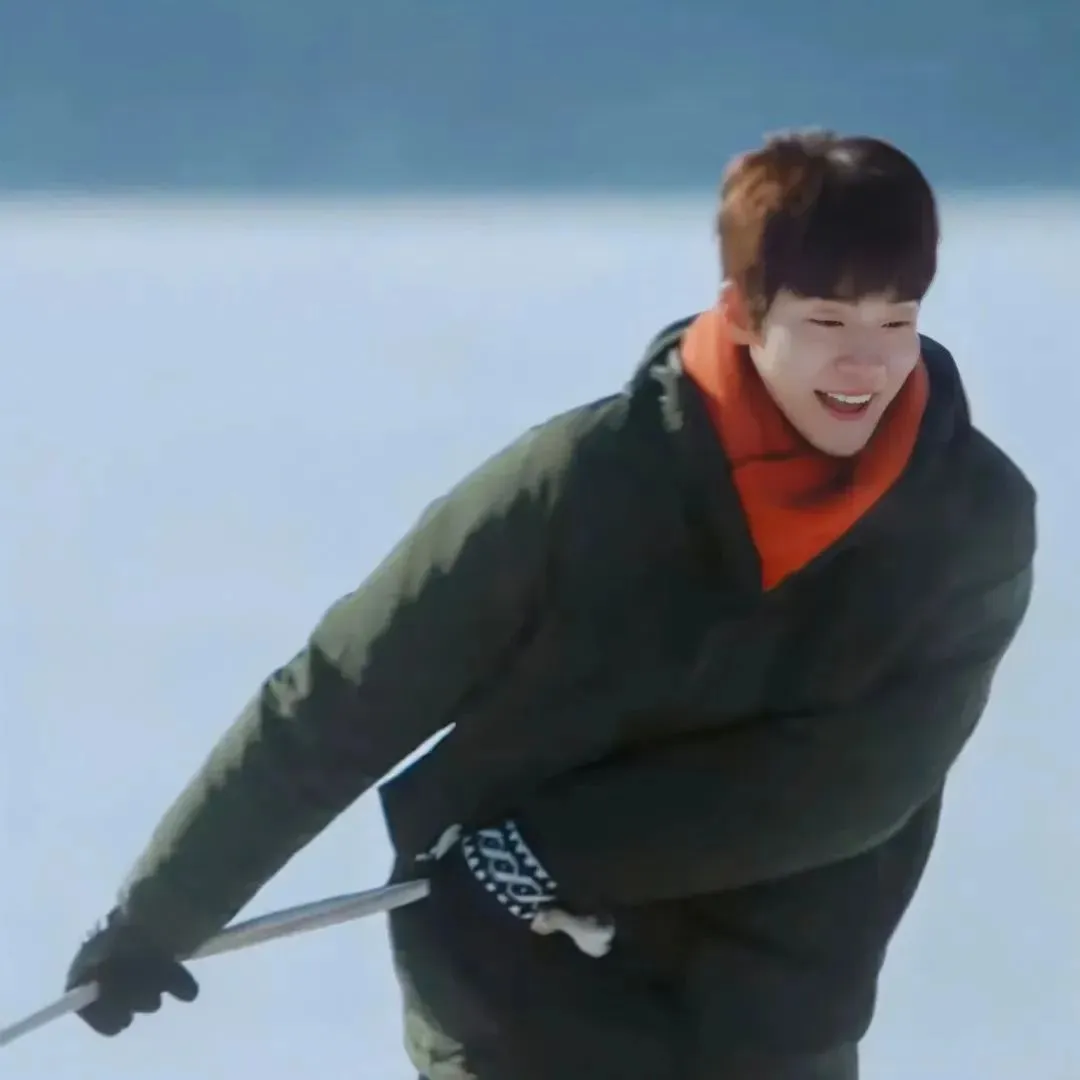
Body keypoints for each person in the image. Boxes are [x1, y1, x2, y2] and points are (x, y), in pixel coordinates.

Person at [64, 130, 1036, 1080]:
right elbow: (345, 699)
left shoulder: (968, 517)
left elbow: (862, 779)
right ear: (744, 311)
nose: (866, 365)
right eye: (827, 323)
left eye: (895, 323)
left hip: (771, 1026)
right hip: (517, 1003)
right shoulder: (576, 488)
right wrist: (159, 919)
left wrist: (550, 851)